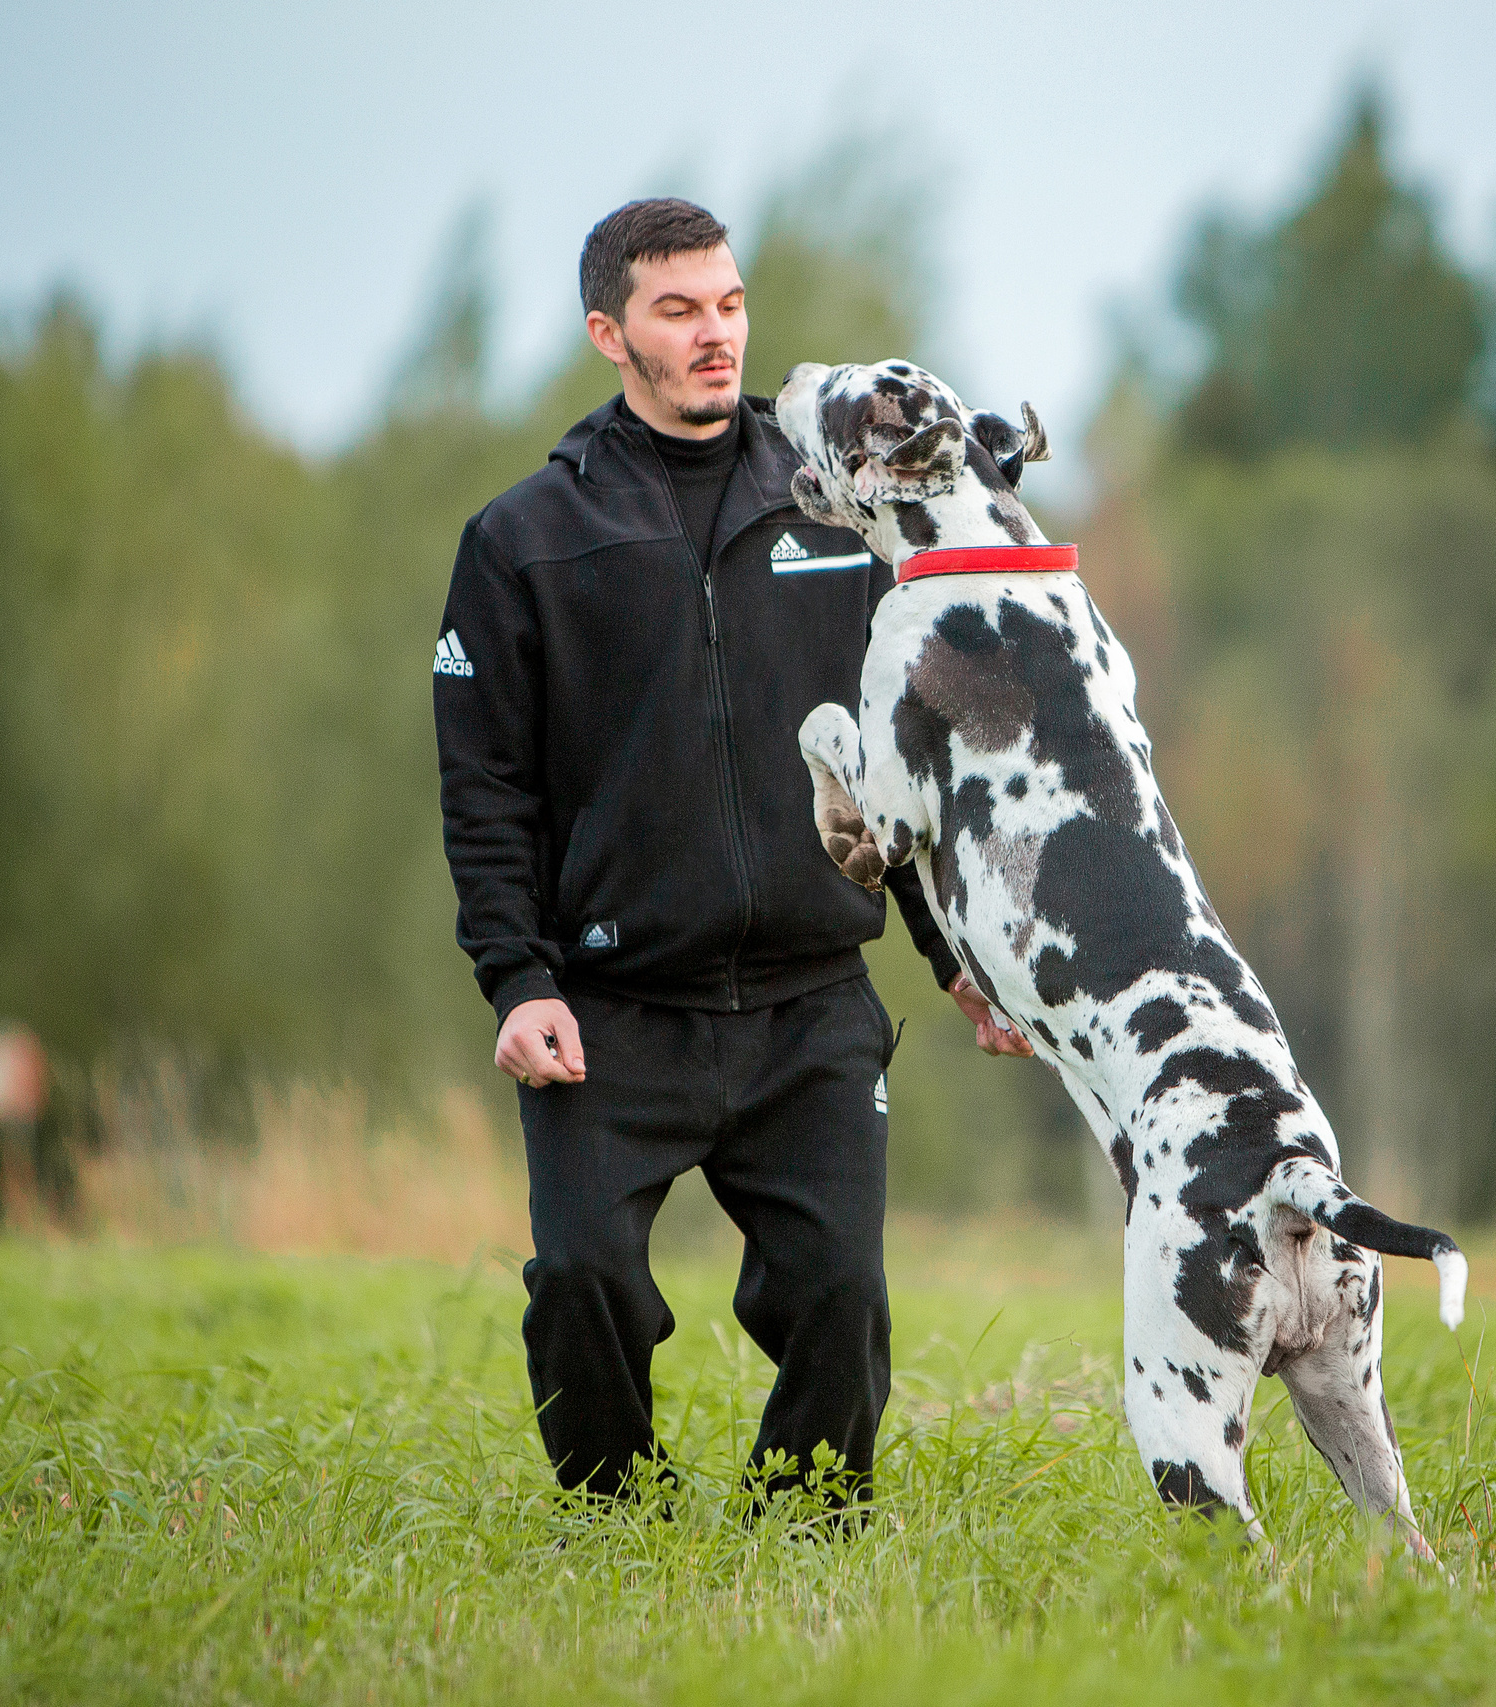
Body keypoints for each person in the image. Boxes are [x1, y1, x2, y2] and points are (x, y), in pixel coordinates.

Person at [433, 198, 1031, 1511]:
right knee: (582, 1282)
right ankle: (618, 1527)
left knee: (842, 1296)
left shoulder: (838, 513)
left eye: (730, 304)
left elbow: (898, 769)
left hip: (809, 1003)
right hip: (612, 1008)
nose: (717, 335)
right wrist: (517, 981)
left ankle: (803, 1537)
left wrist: (961, 960)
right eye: (678, 310)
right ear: (611, 334)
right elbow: (485, 790)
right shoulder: (525, 540)